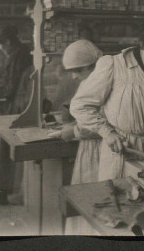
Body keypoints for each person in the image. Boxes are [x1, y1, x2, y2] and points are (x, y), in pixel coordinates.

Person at [70, 12, 144, 181]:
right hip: (120, 154)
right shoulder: (114, 65)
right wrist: (107, 132)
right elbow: (80, 105)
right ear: (143, 44)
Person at [0, 26, 33, 205]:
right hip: (22, 104)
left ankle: (1, 193)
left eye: (2, 46)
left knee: (5, 150)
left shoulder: (17, 54)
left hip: (18, 106)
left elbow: (11, 86)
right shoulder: (23, 51)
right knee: (9, 151)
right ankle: (7, 190)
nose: (2, 49)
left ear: (8, 42)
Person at [58, 39, 103, 184]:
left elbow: (106, 124)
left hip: (102, 150)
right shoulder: (88, 82)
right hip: (89, 148)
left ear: (93, 66)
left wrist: (74, 132)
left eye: (77, 71)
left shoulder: (106, 84)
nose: (74, 76)